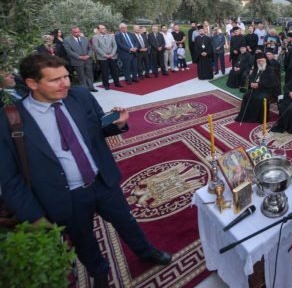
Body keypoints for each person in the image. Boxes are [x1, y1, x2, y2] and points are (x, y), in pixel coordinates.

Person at [0, 54, 172, 288]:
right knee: (83, 240)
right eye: (55, 80)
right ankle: (99, 272)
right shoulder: (10, 119)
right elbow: (9, 178)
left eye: (65, 76)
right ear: (32, 83)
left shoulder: (80, 96)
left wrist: (118, 123)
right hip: (65, 197)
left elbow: (98, 128)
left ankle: (146, 252)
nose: (65, 83)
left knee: (127, 221)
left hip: (102, 181)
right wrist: (34, 216)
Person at [234, 53, 279, 123]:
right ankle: (248, 116)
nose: (260, 62)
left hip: (266, 90)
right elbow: (251, 78)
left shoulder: (270, 70)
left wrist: (259, 85)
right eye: (258, 61)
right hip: (255, 89)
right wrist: (251, 83)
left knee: (260, 98)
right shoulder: (256, 69)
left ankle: (260, 118)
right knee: (246, 95)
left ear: (265, 60)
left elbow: (272, 83)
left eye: (262, 61)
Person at [63, 26, 97, 92]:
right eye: (75, 32)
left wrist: (88, 55)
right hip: (77, 61)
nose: (77, 33)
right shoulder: (67, 40)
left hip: (88, 60)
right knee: (81, 76)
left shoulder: (85, 38)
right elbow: (69, 51)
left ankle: (91, 87)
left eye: (78, 32)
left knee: (90, 74)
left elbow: (90, 48)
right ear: (72, 33)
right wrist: (79, 57)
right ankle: (85, 89)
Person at [92, 25, 122, 90]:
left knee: (114, 71)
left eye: (105, 28)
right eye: (102, 29)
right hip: (102, 58)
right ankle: (106, 85)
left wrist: (112, 54)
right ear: (99, 30)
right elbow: (96, 47)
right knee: (104, 72)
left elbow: (115, 45)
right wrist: (105, 55)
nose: (104, 29)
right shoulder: (95, 37)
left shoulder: (110, 36)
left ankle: (117, 83)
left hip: (112, 56)